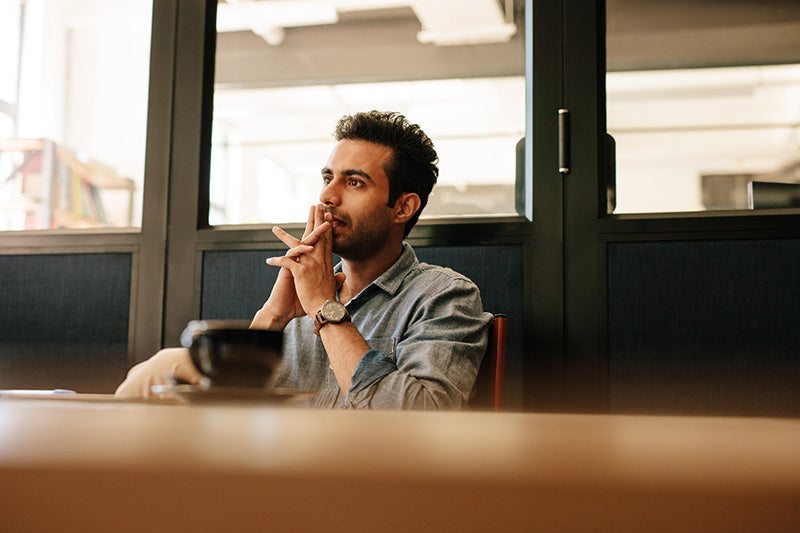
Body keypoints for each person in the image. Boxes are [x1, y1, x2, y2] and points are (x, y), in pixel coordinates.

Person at [116, 110, 493, 409]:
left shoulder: (444, 295)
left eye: (354, 182)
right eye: (328, 177)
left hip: (364, 491)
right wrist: (273, 317)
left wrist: (325, 309)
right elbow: (232, 408)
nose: (327, 196)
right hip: (267, 476)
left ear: (403, 207)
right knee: (162, 368)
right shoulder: (303, 296)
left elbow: (420, 418)